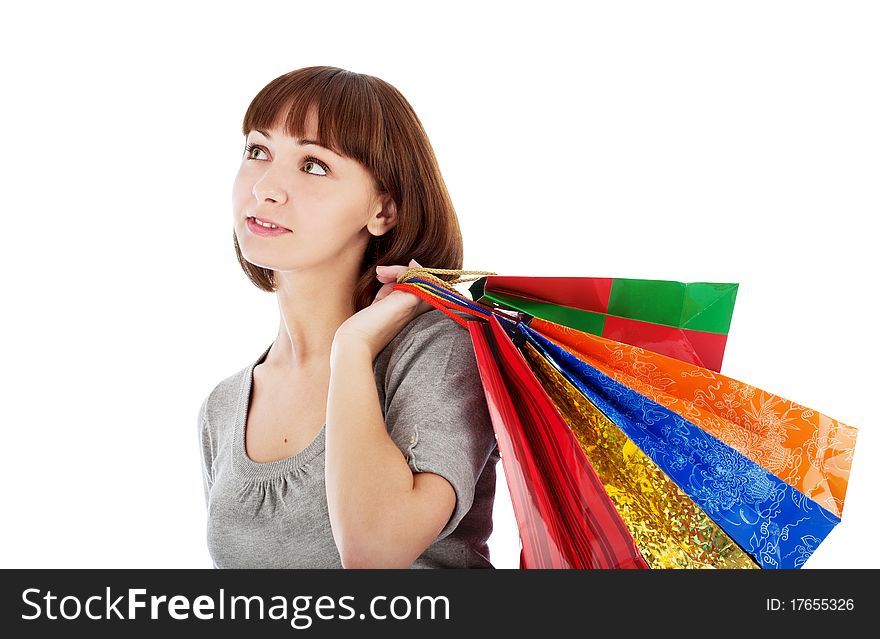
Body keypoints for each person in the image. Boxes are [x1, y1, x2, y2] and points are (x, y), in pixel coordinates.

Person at [196, 66, 501, 568]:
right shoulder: (223, 407)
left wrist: (353, 350)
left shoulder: (437, 348)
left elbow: (376, 553)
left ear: (383, 209)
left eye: (313, 165)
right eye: (258, 151)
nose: (266, 188)